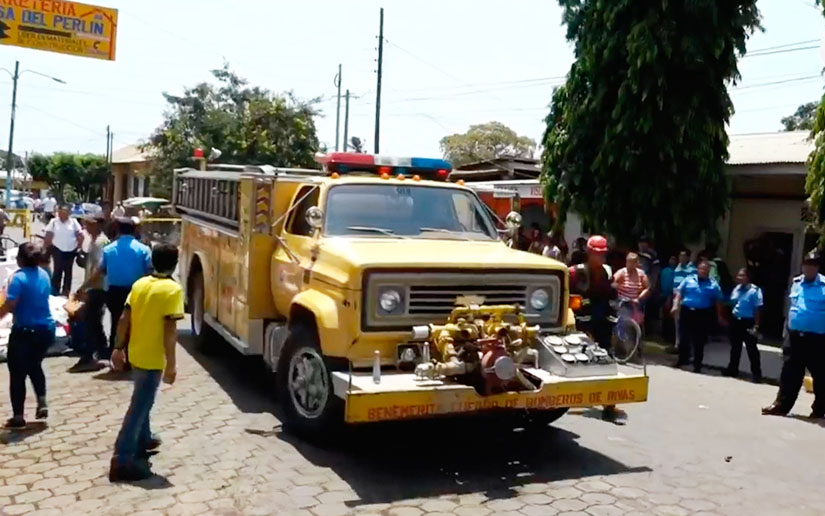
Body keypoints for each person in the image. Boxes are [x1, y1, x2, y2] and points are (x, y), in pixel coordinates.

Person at [109, 243, 183, 481]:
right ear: (175, 263)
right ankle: (122, 459)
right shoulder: (173, 290)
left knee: (142, 400)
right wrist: (171, 365)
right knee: (139, 406)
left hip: (136, 353)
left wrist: (118, 348)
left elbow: (123, 319)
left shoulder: (140, 284)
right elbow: (170, 332)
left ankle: (144, 439)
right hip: (152, 358)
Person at [762, 251, 825, 418]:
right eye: (806, 265)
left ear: (817, 267)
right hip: (795, 336)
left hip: (817, 339)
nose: (809, 268)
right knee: (789, 373)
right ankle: (781, 406)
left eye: (812, 265)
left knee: (821, 375)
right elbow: (792, 307)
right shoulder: (796, 283)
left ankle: (820, 409)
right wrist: (786, 329)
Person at [81, 217, 152, 358]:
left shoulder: (109, 249)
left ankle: (115, 354)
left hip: (114, 292)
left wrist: (84, 287)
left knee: (116, 322)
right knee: (134, 323)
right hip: (136, 291)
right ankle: (132, 354)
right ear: (134, 230)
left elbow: (99, 272)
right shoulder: (143, 249)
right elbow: (149, 271)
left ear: (118, 230)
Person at [2, 243, 55, 428]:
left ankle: (18, 416)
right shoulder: (44, 274)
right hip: (46, 330)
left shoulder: (18, 279)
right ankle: (42, 401)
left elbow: (10, 305)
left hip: (25, 332)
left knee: (17, 374)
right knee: (35, 365)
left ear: (20, 260)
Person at [569, 235, 622, 421]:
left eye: (603, 254)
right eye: (597, 254)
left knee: (607, 360)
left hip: (602, 323)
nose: (600, 258)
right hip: (579, 326)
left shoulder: (607, 272)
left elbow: (611, 298)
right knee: (576, 362)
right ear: (589, 253)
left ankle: (609, 405)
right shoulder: (575, 273)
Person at [70, 214, 110, 372]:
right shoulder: (94, 241)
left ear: (97, 225)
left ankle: (89, 357)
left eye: (89, 224)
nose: (86, 227)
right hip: (95, 287)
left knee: (89, 321)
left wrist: (84, 287)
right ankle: (103, 353)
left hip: (97, 288)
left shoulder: (100, 242)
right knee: (95, 322)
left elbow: (99, 271)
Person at [671, 259, 724, 373]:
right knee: (683, 337)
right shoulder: (689, 280)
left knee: (699, 340)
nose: (703, 271)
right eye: (701, 269)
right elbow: (679, 293)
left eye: (705, 269)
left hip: (702, 314)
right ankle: (682, 360)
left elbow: (718, 301)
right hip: (687, 311)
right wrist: (675, 305)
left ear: (708, 271)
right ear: (697, 269)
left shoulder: (713, 285)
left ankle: (697, 365)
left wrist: (719, 316)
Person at [724, 268, 763, 382]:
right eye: (738, 275)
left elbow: (758, 309)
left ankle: (756, 374)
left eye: (742, 276)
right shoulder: (737, 289)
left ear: (748, 277)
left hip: (748, 321)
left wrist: (756, 325)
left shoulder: (755, 291)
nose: (739, 278)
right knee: (735, 347)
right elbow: (732, 303)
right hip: (736, 320)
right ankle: (732, 370)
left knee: (751, 349)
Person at [44, 205, 84, 296]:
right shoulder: (53, 222)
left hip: (71, 250)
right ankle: (55, 291)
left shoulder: (73, 222)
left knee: (68, 271)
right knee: (57, 270)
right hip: (57, 249)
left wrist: (79, 245)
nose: (63, 214)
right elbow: (48, 234)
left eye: (65, 212)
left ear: (69, 213)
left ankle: (66, 291)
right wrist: (47, 247)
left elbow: (80, 234)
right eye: (61, 212)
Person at [612, 252, 650, 325]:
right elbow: (612, 283)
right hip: (623, 302)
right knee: (624, 319)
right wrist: (618, 286)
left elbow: (647, 287)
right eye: (629, 262)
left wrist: (639, 298)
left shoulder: (641, 273)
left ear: (636, 263)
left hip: (636, 302)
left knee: (637, 321)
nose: (630, 265)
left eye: (632, 263)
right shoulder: (622, 272)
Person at [659, 256, 678, 344]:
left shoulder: (677, 271)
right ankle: (664, 336)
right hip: (663, 295)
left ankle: (671, 338)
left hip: (671, 296)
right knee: (664, 316)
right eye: (671, 259)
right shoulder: (664, 270)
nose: (672, 261)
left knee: (671, 318)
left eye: (674, 259)